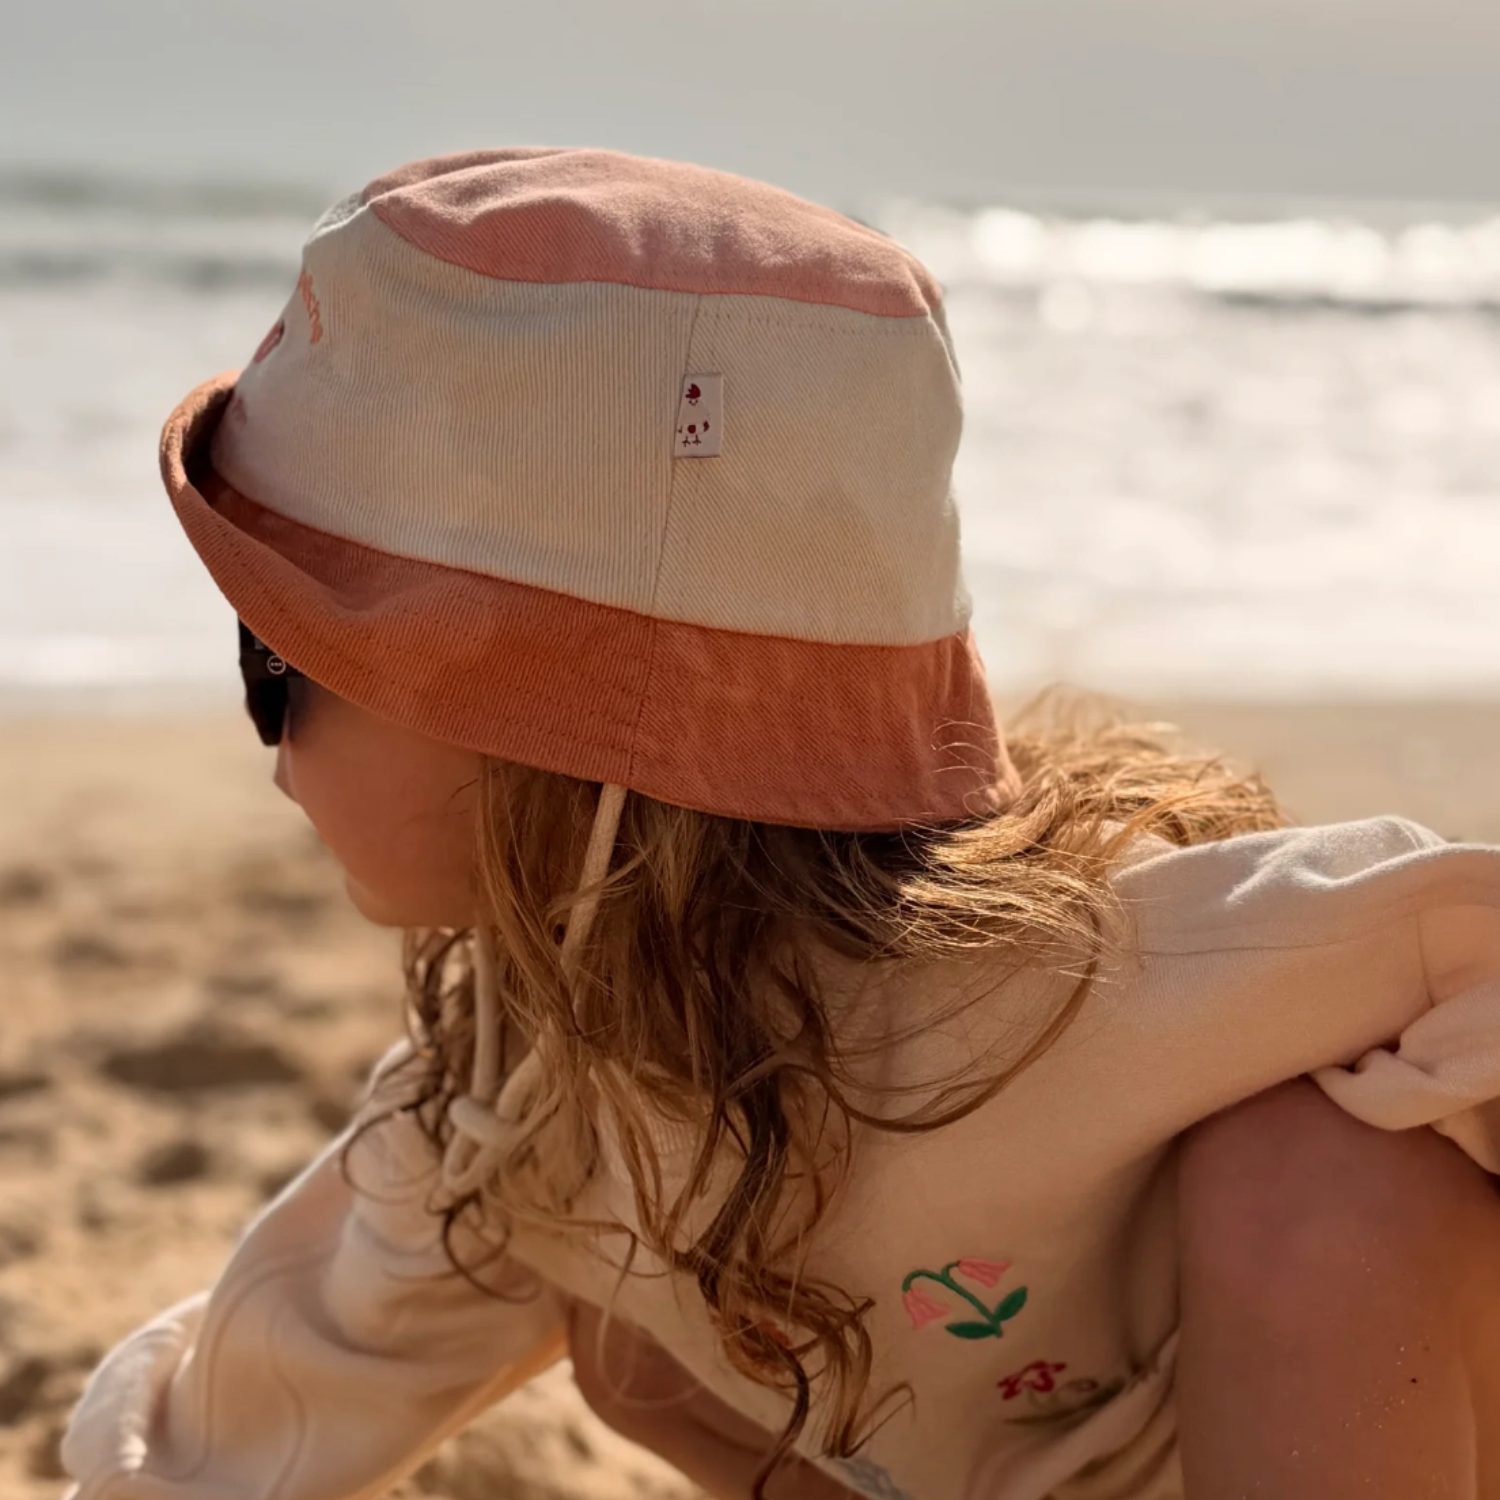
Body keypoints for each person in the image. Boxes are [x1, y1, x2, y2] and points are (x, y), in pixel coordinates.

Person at [59, 146, 1500, 1500]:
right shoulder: (530, 1086)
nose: (267, 741)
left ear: (528, 731)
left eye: (279, 665)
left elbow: (1447, 940)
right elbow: (272, 1389)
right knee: (628, 1330)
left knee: (1322, 1173)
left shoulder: (1080, 987)